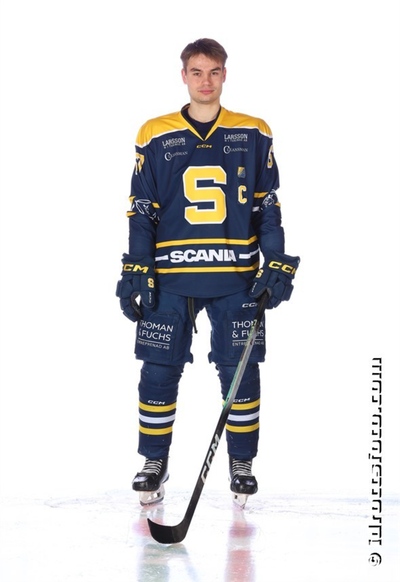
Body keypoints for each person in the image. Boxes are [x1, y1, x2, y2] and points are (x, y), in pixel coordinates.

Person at [116, 38, 300, 507]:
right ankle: (153, 461)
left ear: (224, 75)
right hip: (170, 276)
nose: (205, 81)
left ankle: (241, 464)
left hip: (235, 275)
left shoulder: (253, 131)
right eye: (196, 72)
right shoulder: (155, 133)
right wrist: (137, 266)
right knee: (158, 370)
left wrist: (276, 260)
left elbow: (266, 206)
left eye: (214, 72)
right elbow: (142, 209)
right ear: (183, 75)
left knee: (240, 371)